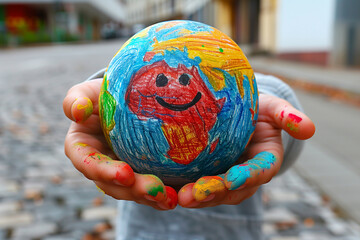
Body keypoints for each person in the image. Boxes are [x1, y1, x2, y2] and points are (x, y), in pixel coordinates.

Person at [63, 69, 315, 240]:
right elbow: (134, 75)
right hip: (142, 231)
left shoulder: (231, 89)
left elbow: (285, 155)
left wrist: (262, 108)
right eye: (163, 81)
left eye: (184, 80)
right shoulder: (138, 89)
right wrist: (109, 92)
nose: (175, 89)